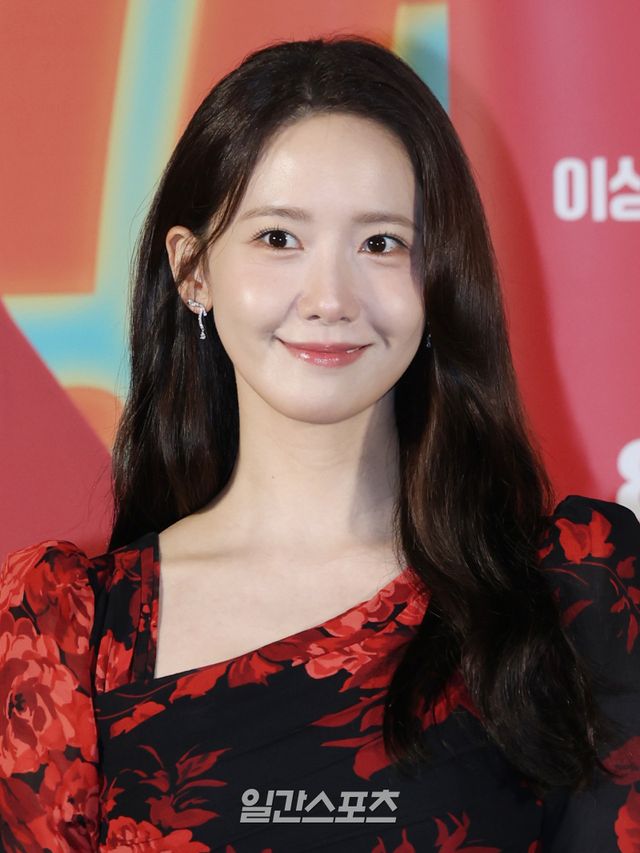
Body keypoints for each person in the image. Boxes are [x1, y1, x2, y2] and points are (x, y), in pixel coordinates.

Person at [1, 35, 638, 853]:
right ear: (193, 271)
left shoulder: (572, 590)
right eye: (278, 239)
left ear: (439, 276)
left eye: (381, 243)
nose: (330, 298)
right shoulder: (68, 631)